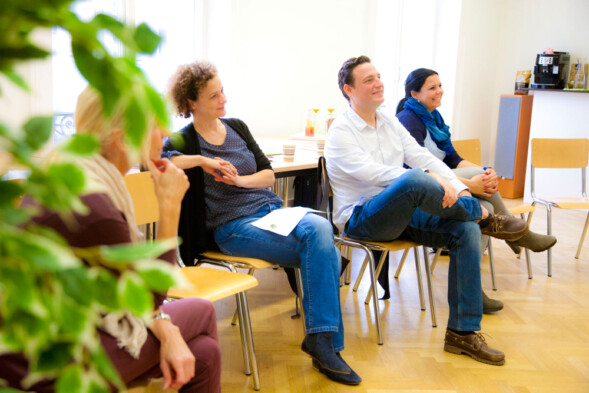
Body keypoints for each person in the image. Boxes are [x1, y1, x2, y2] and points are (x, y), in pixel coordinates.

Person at [0, 87, 221, 392]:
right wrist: (169, 206)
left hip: (42, 336)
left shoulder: (68, 170)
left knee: (203, 353)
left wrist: (168, 331)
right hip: (45, 363)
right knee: (202, 311)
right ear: (121, 138)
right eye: (155, 125)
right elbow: (147, 299)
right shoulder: (96, 208)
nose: (165, 133)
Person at [161, 61, 361, 385]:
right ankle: (325, 346)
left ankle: (321, 342)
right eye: (214, 95)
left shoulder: (237, 126)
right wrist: (202, 161)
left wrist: (239, 181)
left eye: (222, 90)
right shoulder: (185, 139)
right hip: (232, 227)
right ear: (192, 103)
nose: (223, 99)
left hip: (269, 213)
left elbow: (268, 174)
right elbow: (159, 160)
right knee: (322, 249)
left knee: (321, 229)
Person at [326, 56, 530, 366]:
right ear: (349, 89)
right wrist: (427, 179)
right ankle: (487, 216)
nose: (378, 82)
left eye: (378, 76)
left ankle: (462, 334)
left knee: (464, 230)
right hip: (362, 219)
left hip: (402, 213)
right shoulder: (340, 131)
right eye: (368, 79)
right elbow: (375, 174)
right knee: (413, 178)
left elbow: (424, 157)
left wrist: (458, 188)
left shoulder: (390, 122)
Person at [396, 68, 557, 257]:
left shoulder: (435, 120)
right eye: (432, 88)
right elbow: (416, 172)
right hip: (422, 188)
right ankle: (518, 233)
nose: (439, 91)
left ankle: (472, 267)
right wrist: (471, 182)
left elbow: (454, 159)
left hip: (446, 182)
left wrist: (487, 171)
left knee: (487, 206)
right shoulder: (408, 120)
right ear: (414, 94)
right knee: (475, 176)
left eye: (440, 85)